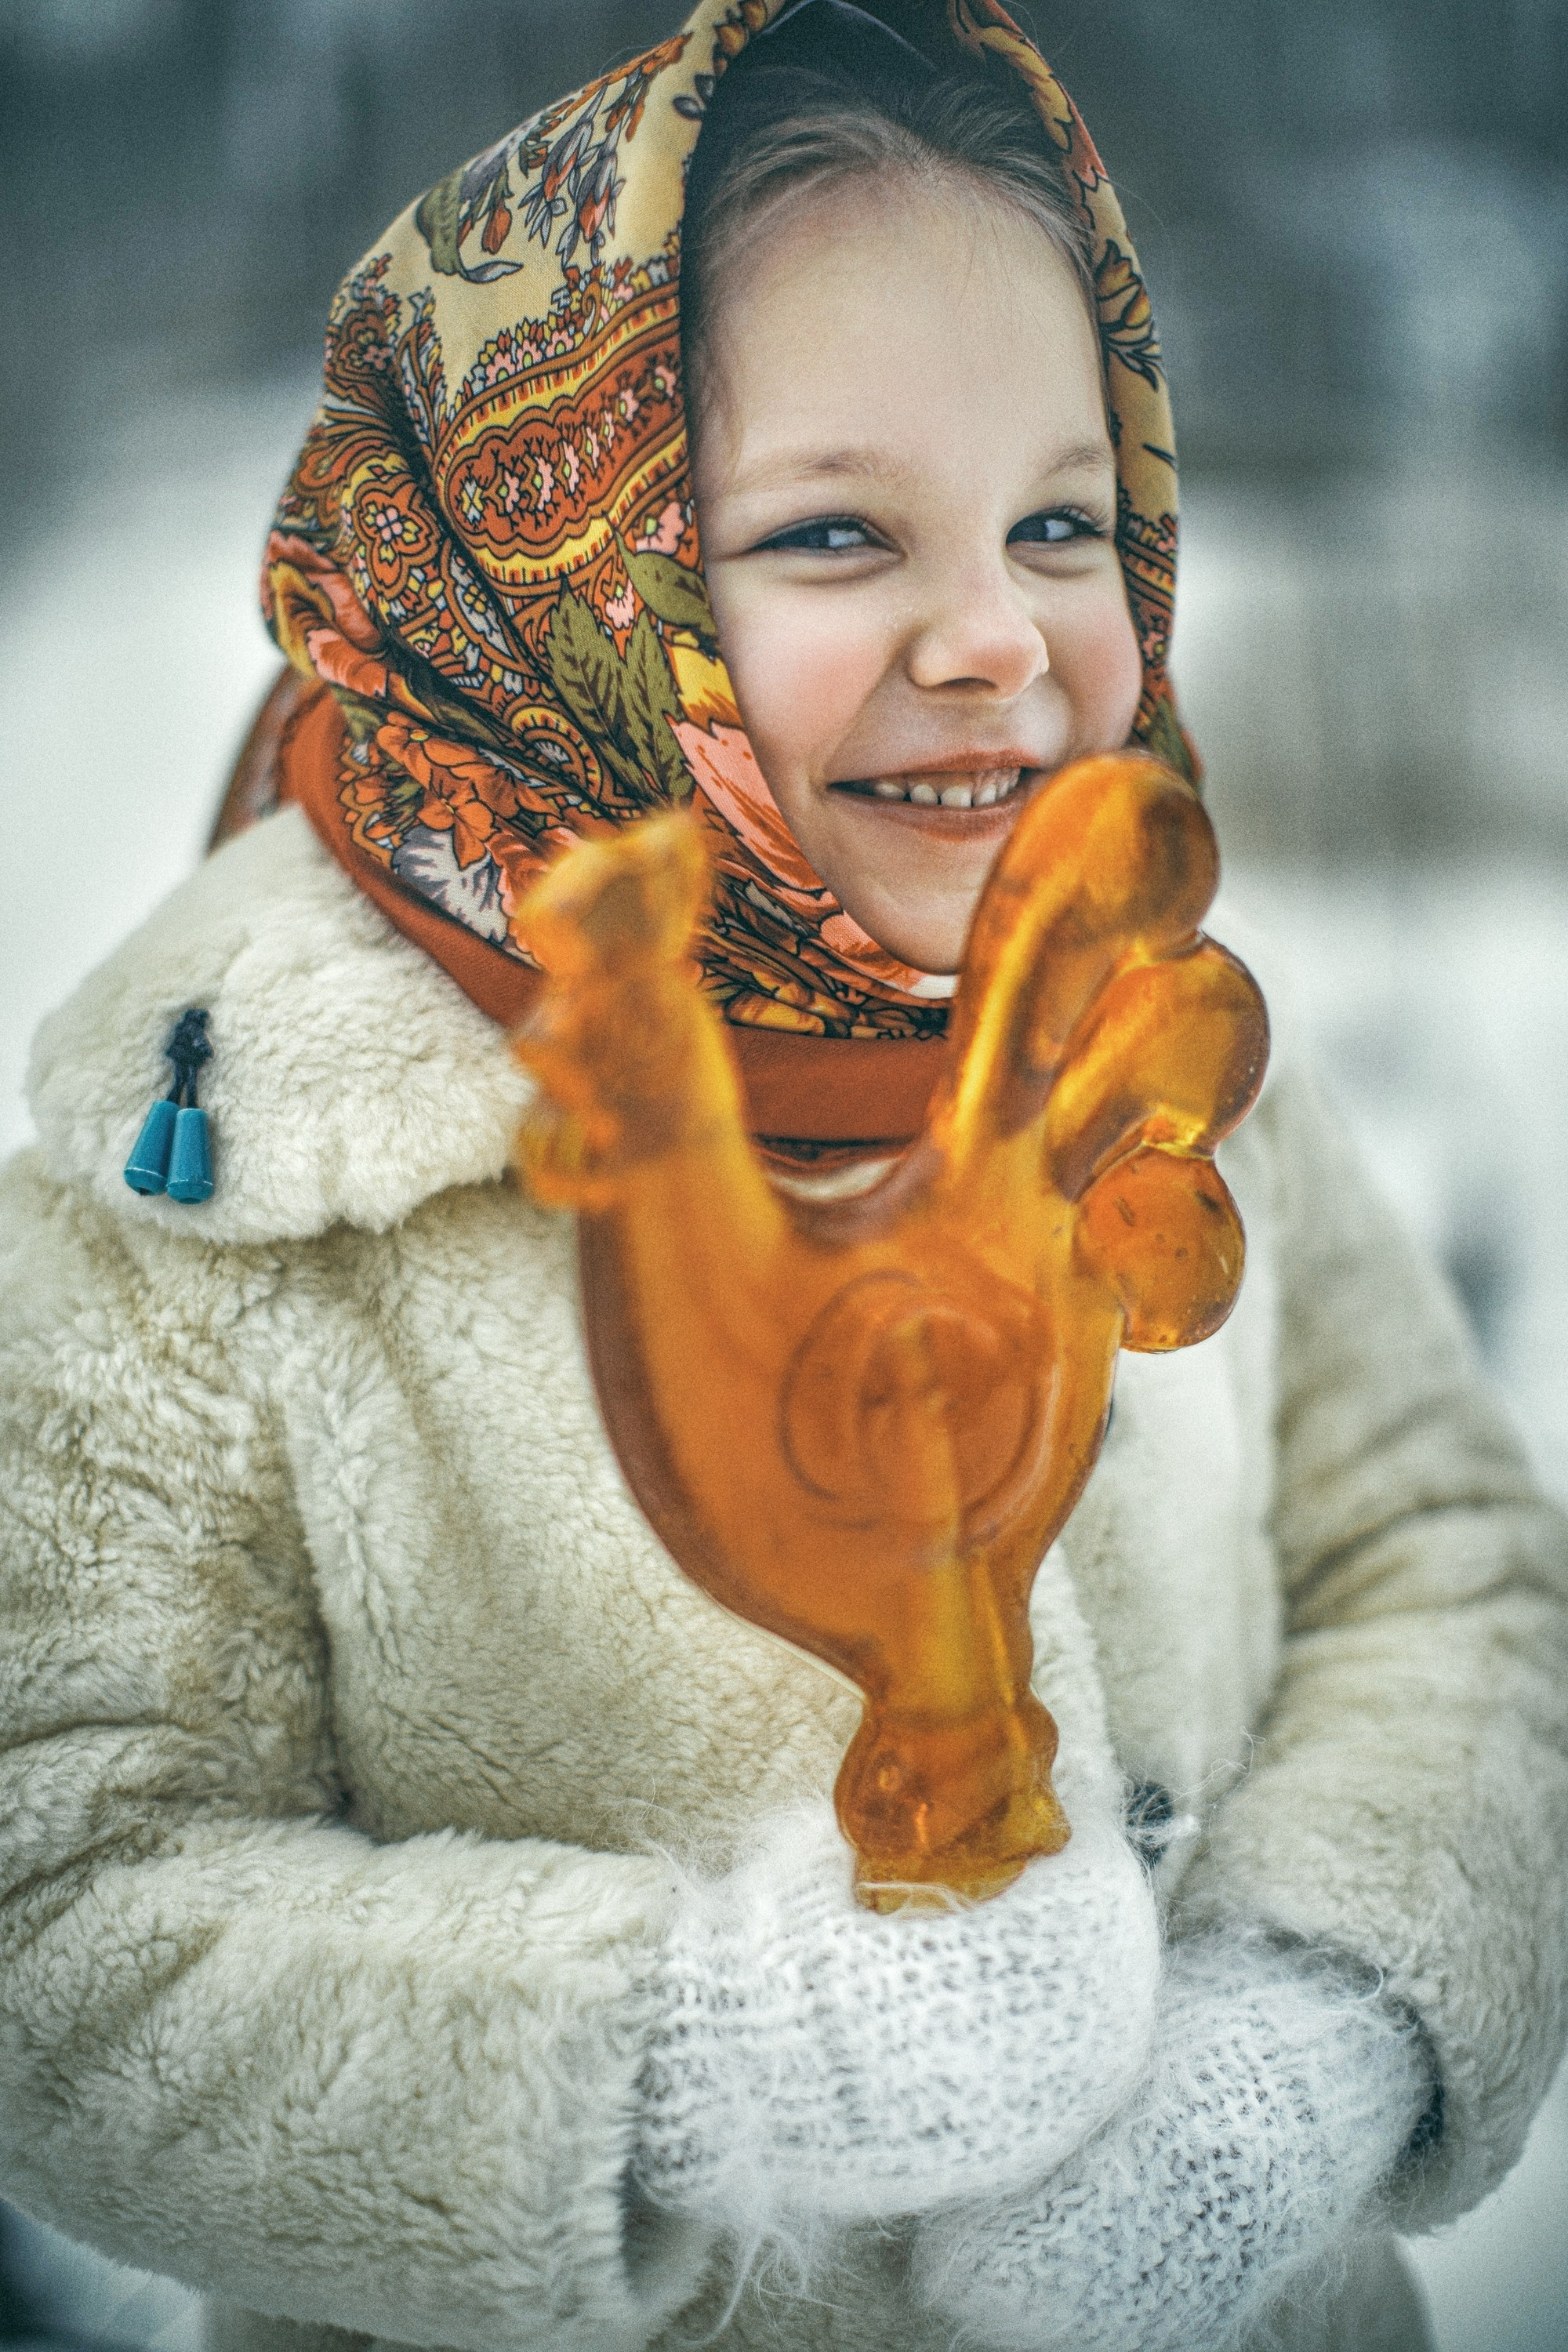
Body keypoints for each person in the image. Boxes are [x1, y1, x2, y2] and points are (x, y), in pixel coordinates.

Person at [1, 4, 1564, 2349]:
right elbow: (56, 1913)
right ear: (541, 560)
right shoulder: (232, 1155)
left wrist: (1323, 2029)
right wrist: (700, 2065)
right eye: (837, 530)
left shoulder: (1131, 1015)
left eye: (1060, 521)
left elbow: (1446, 1558)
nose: (1000, 639)